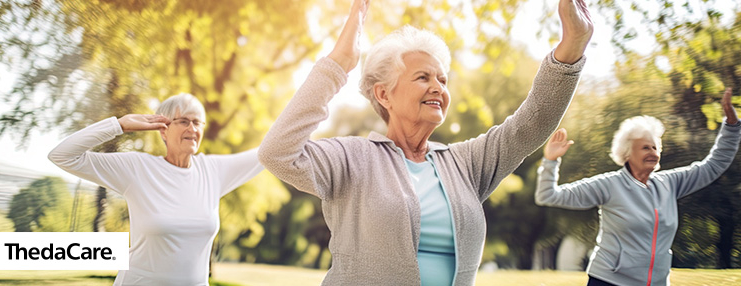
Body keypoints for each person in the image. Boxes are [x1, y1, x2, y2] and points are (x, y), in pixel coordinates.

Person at [257, 0, 593, 284]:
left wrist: (574, 43)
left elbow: (532, 123)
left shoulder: (465, 164)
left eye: (442, 79)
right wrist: (339, 64)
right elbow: (277, 152)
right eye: (423, 77)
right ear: (384, 94)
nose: (438, 87)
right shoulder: (353, 157)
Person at [48, 93, 263, 285]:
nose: (193, 128)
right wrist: (119, 125)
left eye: (198, 122)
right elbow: (62, 155)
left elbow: (268, 153)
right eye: (184, 121)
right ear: (163, 130)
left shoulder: (213, 171)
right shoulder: (138, 168)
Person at [535, 88, 740, 286]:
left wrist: (731, 126)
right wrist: (551, 161)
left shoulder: (670, 183)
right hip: (609, 281)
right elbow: (548, 195)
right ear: (626, 153)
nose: (652, 151)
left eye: (655, 147)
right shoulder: (608, 185)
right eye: (645, 147)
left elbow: (714, 165)